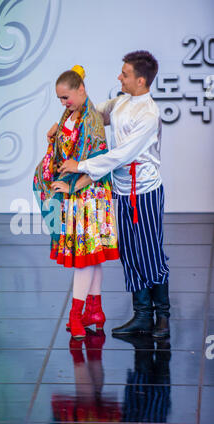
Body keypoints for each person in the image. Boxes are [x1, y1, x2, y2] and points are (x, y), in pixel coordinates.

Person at [53, 51, 171, 339]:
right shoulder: (121, 102)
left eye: (125, 74)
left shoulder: (148, 113)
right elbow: (93, 114)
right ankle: (142, 315)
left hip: (143, 191)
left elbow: (120, 154)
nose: (120, 77)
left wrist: (80, 166)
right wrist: (66, 124)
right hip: (121, 190)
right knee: (130, 253)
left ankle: (162, 316)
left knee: (150, 253)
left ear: (141, 81)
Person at [34, 66, 120, 340]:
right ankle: (95, 310)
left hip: (88, 195)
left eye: (66, 97)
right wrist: (54, 138)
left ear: (81, 89)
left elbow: (99, 164)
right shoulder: (70, 116)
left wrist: (70, 186)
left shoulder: (92, 119)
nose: (63, 103)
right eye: (60, 99)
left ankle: (76, 314)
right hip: (79, 196)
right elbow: (65, 151)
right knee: (91, 257)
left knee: (83, 259)